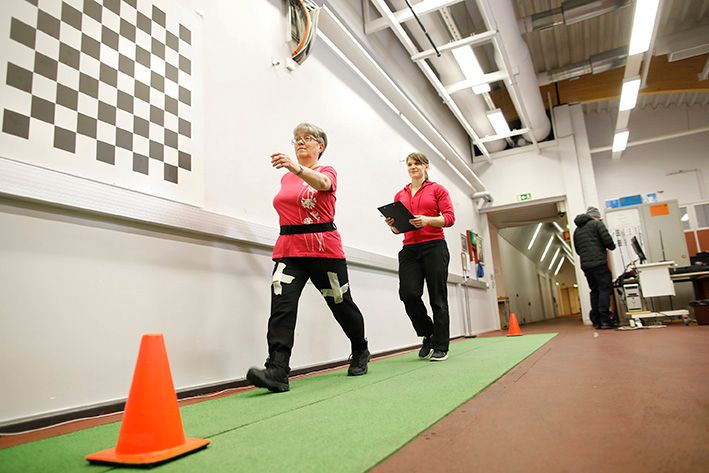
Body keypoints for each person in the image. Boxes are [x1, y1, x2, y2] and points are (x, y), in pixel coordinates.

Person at [246, 123, 369, 392]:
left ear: (320, 146)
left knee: (340, 303)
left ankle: (360, 348)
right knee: (282, 307)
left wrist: (296, 167)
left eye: (308, 138)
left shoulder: (326, 171)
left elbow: (323, 184)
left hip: (323, 248)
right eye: (297, 139)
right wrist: (293, 170)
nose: (300, 142)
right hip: (289, 249)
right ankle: (277, 369)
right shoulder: (286, 178)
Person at [385, 152, 455, 361]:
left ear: (426, 166)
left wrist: (427, 220)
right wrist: (393, 226)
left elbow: (449, 218)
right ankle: (429, 333)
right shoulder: (400, 194)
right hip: (410, 249)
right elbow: (398, 229)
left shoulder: (438, 190)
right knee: (408, 294)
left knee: (437, 298)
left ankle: (441, 346)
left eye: (417, 163)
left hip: (434, 246)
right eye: (409, 164)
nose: (413, 167)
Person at [573, 206, 617, 329]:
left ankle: (596, 320)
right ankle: (605, 320)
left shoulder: (577, 230)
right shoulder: (597, 224)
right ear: (595, 216)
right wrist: (611, 246)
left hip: (586, 265)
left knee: (594, 290)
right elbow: (608, 241)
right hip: (599, 263)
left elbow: (578, 250)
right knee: (604, 289)